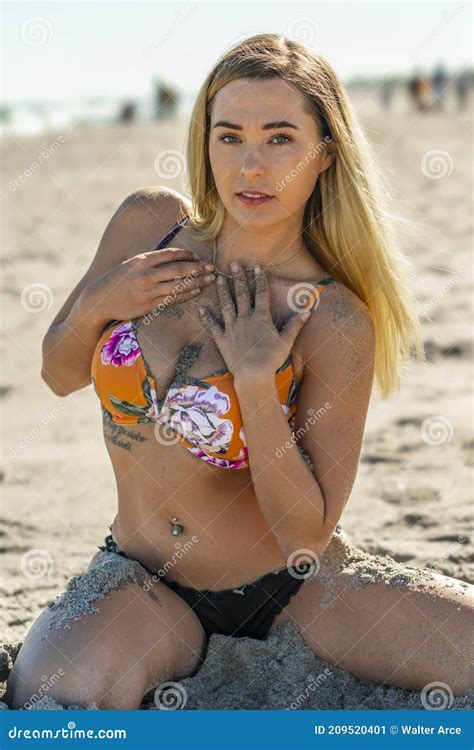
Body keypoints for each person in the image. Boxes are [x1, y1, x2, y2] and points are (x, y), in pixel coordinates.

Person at [7, 34, 473, 710]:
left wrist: (257, 384)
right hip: (145, 583)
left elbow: (308, 534)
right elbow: (57, 372)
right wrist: (101, 305)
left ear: (325, 153)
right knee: (51, 698)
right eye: (230, 137)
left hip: (297, 589)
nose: (251, 165)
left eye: (280, 138)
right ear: (205, 143)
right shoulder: (150, 227)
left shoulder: (334, 318)